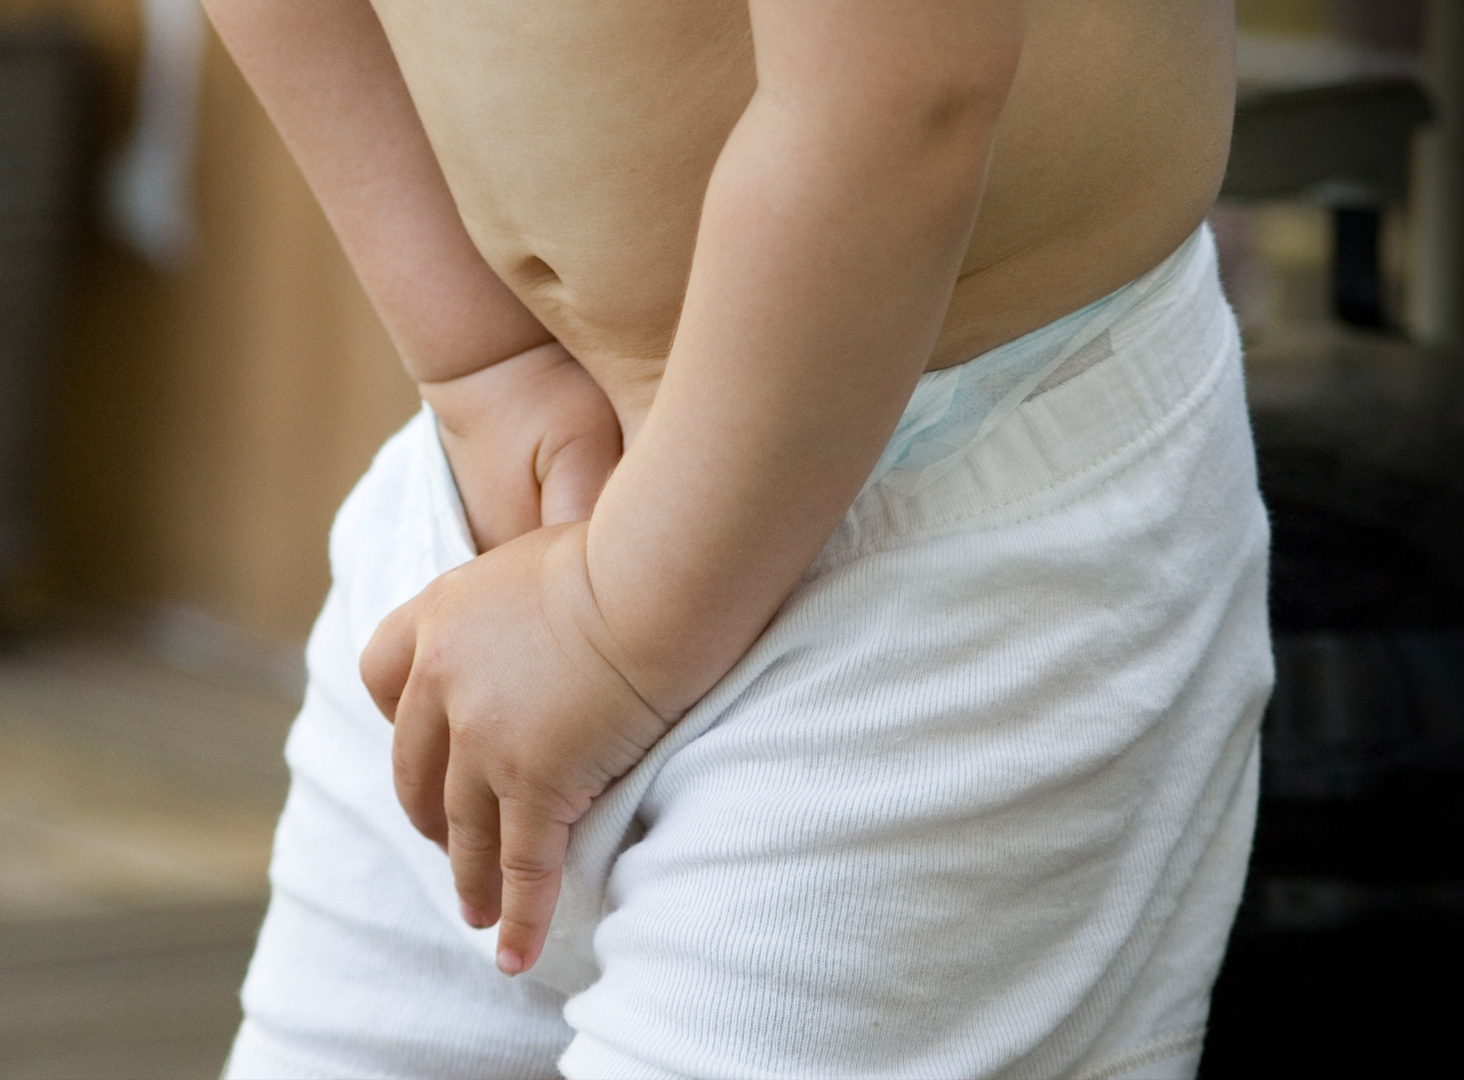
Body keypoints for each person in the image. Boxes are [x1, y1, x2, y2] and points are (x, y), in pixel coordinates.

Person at [204, 1, 1271, 1077]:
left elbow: (906, 99)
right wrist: (477, 364)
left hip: (944, 536)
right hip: (505, 504)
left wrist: (614, 629)